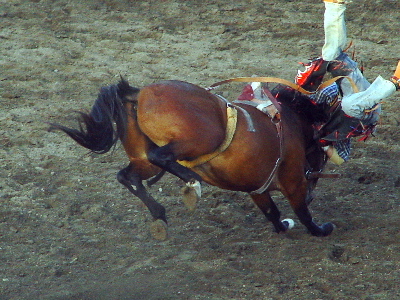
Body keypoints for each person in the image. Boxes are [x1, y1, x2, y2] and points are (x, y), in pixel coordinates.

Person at [240, 0, 400, 165]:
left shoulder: (311, 109)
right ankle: (396, 82)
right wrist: (324, 145)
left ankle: (334, 6)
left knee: (330, 57)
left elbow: (318, 91)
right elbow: (340, 160)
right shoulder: (331, 133)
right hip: (366, 111)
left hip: (352, 95)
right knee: (348, 105)